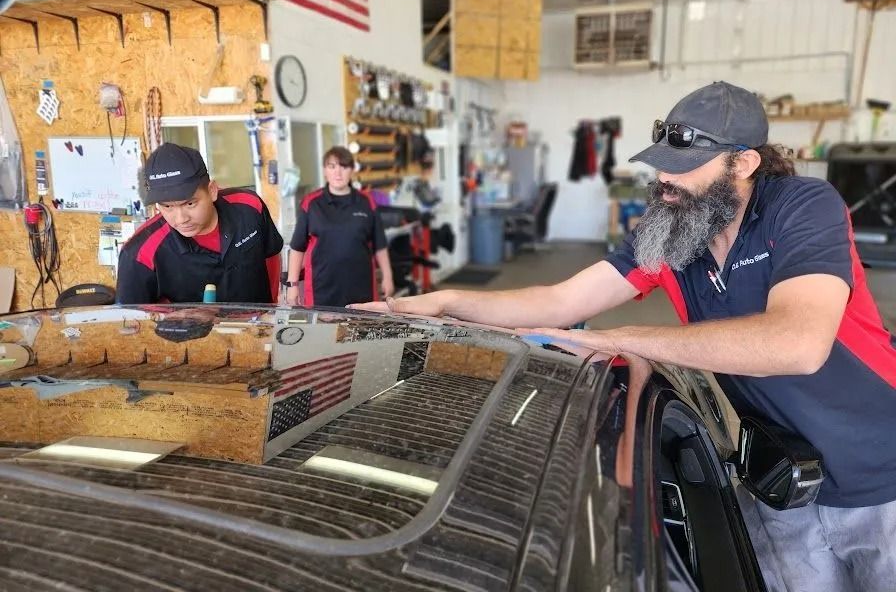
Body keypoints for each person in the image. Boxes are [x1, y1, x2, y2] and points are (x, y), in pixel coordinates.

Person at [352, 81, 896, 591]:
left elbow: (796, 344)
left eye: (684, 167)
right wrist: (445, 302)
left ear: (745, 163)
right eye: (661, 164)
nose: (664, 181)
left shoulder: (802, 208)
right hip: (782, 485)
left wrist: (628, 339)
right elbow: (561, 301)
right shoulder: (677, 230)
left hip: (882, 477)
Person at [117, 142, 283, 304]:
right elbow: (133, 321)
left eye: (190, 203)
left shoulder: (249, 206)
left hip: (257, 328)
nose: (181, 218)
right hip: (193, 332)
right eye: (167, 206)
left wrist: (271, 307)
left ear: (212, 191)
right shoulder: (140, 253)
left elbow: (271, 255)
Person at [285, 146, 394, 307]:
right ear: (325, 171)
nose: (338, 172)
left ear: (351, 171)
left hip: (361, 286)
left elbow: (380, 245)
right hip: (322, 288)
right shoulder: (311, 203)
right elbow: (298, 247)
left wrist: (387, 276)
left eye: (344, 167)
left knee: (362, 329)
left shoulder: (366, 202)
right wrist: (292, 285)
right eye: (332, 166)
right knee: (324, 331)